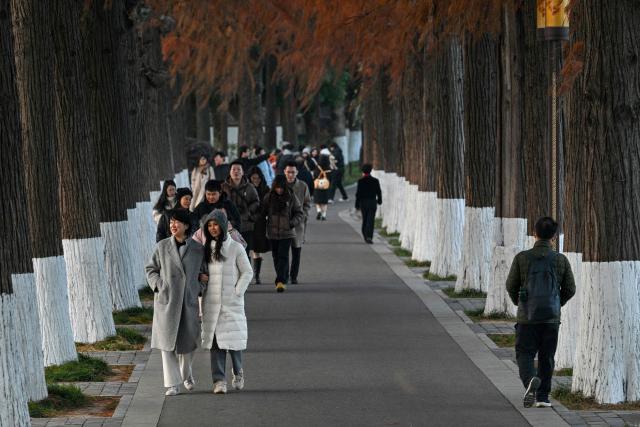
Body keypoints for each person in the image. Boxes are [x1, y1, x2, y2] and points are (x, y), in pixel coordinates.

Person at [506, 217, 576, 408]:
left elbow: (510, 285)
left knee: (524, 353)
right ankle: (543, 398)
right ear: (554, 236)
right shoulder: (560, 260)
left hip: (527, 317)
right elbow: (570, 288)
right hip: (551, 319)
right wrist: (557, 304)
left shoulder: (522, 258)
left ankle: (530, 380)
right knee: (547, 356)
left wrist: (520, 303)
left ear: (534, 233)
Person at [145, 209, 205, 396]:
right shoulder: (162, 246)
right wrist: (158, 285)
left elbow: (204, 274)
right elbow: (150, 269)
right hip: (167, 301)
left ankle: (186, 374)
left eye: (177, 222)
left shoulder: (197, 249)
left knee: (188, 343)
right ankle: (172, 384)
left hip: (188, 302)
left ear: (186, 226)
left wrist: (199, 287)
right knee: (167, 345)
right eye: (171, 222)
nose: (173, 225)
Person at [199, 210, 253, 394]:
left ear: (223, 226)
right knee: (216, 344)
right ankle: (219, 380)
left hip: (231, 303)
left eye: (216, 224)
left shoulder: (236, 248)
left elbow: (247, 272)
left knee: (234, 342)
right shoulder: (206, 248)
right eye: (210, 225)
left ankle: (238, 372)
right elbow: (201, 272)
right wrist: (201, 277)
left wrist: (237, 292)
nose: (213, 228)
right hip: (212, 303)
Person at [261, 175, 303, 292]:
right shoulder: (268, 197)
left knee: (283, 256)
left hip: (287, 233)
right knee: (276, 257)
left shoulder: (291, 196)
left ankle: (280, 281)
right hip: (272, 232)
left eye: (281, 188)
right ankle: (282, 277)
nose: (279, 190)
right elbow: (262, 212)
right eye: (277, 188)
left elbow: (299, 212)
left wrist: (292, 223)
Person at [222, 160, 261, 256]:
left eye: (239, 169)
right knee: (229, 255)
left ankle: (247, 271)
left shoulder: (250, 187)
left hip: (246, 226)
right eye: (233, 169)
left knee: (245, 254)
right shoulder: (223, 187)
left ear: (243, 172)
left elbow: (256, 202)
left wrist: (248, 212)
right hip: (228, 226)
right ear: (230, 172)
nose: (236, 172)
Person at [284, 161, 311, 284]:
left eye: (293, 172)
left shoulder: (303, 186)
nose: (290, 174)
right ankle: (284, 275)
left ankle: (293, 276)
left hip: (298, 224)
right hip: (282, 224)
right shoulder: (279, 185)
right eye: (288, 172)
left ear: (297, 173)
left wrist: (303, 216)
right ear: (284, 172)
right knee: (283, 252)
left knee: (296, 251)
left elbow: (307, 204)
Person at [247, 166, 271, 284]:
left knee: (257, 249)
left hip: (260, 222)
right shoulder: (246, 188)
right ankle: (247, 275)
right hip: (248, 221)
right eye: (253, 178)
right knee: (246, 250)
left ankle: (256, 275)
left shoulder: (265, 189)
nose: (256, 180)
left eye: (258, 178)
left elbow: (267, 206)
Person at [355, 164, 382, 244]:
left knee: (365, 219)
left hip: (363, 203)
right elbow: (379, 192)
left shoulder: (360, 181)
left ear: (363, 171)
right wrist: (380, 200)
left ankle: (365, 234)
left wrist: (357, 204)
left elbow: (358, 194)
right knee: (371, 220)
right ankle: (369, 236)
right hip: (372, 202)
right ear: (371, 170)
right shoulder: (375, 181)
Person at [312, 149, 333, 221]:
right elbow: (330, 177)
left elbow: (314, 176)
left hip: (317, 186)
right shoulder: (328, 168)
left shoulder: (317, 167)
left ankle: (318, 211)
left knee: (318, 201)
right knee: (324, 202)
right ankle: (324, 215)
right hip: (325, 186)